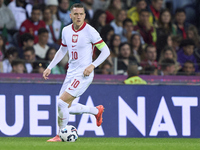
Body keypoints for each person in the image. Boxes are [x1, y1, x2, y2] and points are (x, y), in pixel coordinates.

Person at [43, 3, 110, 142]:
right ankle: (96, 111)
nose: (78, 16)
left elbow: (106, 51)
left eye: (81, 14)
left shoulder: (90, 31)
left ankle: (60, 135)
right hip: (71, 72)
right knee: (64, 106)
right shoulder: (66, 30)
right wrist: (50, 67)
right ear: (71, 16)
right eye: (76, 14)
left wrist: (93, 65)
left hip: (84, 74)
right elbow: (62, 50)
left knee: (61, 103)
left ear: (84, 15)